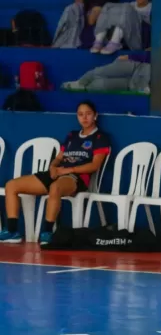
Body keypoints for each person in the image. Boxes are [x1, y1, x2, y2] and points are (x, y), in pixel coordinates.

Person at [0, 101, 111, 244]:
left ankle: (47, 232)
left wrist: (69, 170)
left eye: (88, 114)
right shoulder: (72, 135)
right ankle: (12, 231)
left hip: (77, 177)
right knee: (11, 186)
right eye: (81, 114)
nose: (84, 118)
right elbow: (59, 158)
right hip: (58, 172)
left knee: (55, 188)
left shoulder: (100, 138)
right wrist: (53, 167)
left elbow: (94, 165)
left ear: (95, 116)